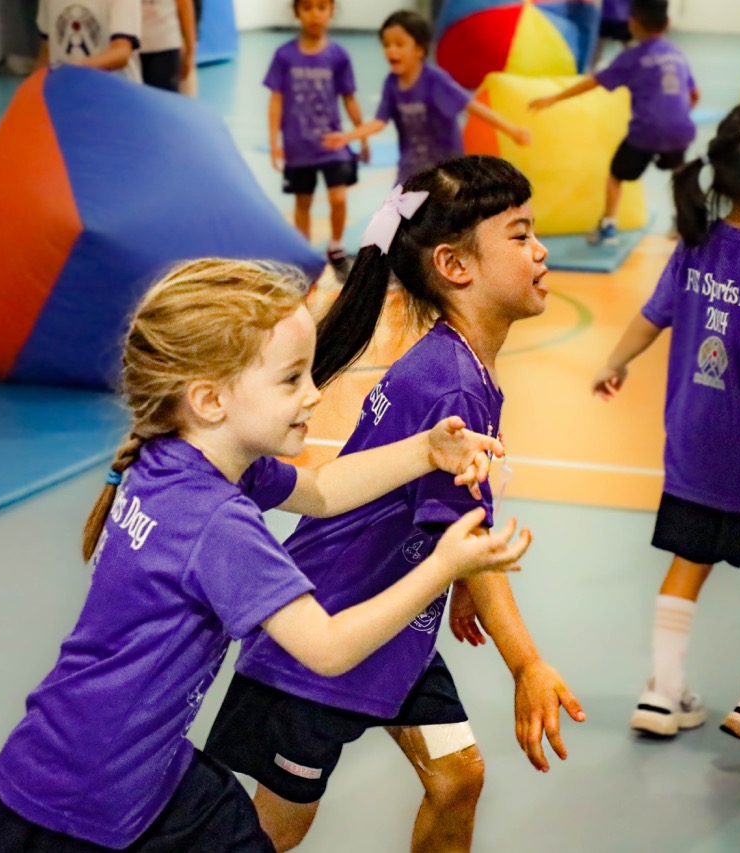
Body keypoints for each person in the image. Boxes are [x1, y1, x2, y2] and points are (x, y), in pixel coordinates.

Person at [0, 258, 532, 852]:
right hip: (75, 807)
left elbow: (321, 491)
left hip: (138, 769)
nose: (314, 394)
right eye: (291, 380)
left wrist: (426, 449)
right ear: (210, 400)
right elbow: (327, 647)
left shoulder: (178, 460)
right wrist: (443, 566)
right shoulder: (216, 521)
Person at [206, 156, 584, 853]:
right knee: (273, 832)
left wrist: (462, 585)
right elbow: (469, 534)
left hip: (391, 629)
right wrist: (527, 664)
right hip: (326, 632)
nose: (542, 250)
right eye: (521, 234)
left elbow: (443, 515)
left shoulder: (459, 364)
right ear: (455, 264)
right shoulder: (451, 384)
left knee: (457, 778)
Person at [591, 103, 740, 763]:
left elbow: (652, 316)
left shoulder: (696, 244)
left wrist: (614, 361)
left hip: (694, 449)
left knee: (688, 560)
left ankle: (663, 690)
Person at [530, 0, 698, 245]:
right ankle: (681, 223)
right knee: (679, 173)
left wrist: (553, 98)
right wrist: (676, 115)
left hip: (646, 132)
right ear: (668, 23)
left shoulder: (631, 57)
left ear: (632, 23)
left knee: (616, 175)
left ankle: (608, 227)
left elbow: (592, 82)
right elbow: (695, 95)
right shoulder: (676, 53)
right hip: (681, 130)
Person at [322, 11, 531, 185]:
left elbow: (471, 105)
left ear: (420, 49)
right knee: (398, 215)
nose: (391, 50)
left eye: (399, 43)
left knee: (447, 221)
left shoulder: (435, 80)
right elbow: (379, 122)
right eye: (386, 45)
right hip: (411, 169)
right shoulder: (391, 83)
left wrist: (512, 130)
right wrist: (347, 137)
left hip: (447, 167)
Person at [266, 0, 369, 273]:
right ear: (297, 12)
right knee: (303, 203)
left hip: (332, 143)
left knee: (338, 198)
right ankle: (302, 253)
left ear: (331, 11)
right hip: (298, 146)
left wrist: (362, 136)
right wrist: (274, 142)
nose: (315, 14)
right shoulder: (284, 55)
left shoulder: (338, 55)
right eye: (308, 7)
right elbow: (276, 100)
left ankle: (335, 246)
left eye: (322, 7)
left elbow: (349, 99)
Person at [36, 0, 143, 83]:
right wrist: (34, 86)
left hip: (114, 95)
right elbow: (47, 49)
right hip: (66, 94)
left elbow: (121, 52)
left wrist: (72, 70)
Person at [140, 0, 197, 92]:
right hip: (132, 48)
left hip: (165, 46)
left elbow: (185, 5)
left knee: (164, 99)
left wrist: (190, 51)